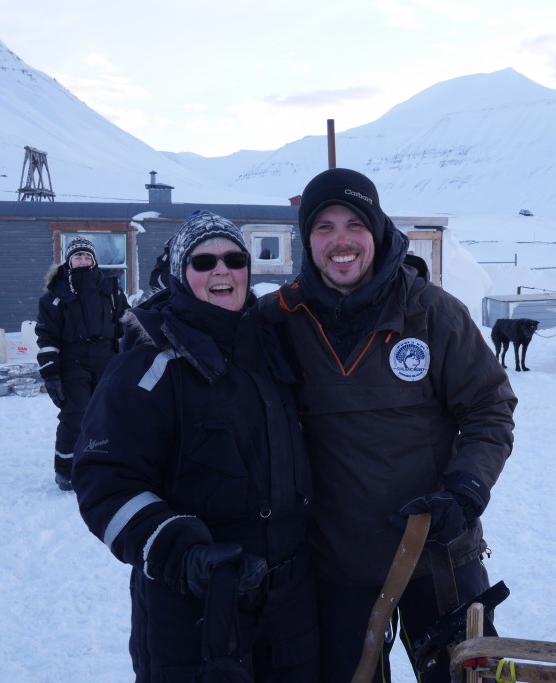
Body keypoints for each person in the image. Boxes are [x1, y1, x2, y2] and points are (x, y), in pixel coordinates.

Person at [258, 168, 517, 682]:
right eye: (324, 227)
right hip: (333, 562)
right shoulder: (277, 320)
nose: (341, 241)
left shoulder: (433, 312)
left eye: (354, 224)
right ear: (306, 239)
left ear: (376, 231)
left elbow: (490, 408)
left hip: (440, 549)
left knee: (467, 676)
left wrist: (464, 491)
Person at [70, 211, 318, 682]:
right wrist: (182, 554)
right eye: (204, 261)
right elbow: (105, 480)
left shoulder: (272, 347)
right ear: (182, 274)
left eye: (233, 258)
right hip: (196, 609)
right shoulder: (149, 362)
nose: (221, 270)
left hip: (290, 607)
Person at [36, 236, 128, 491]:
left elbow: (127, 326)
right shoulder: (55, 296)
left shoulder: (111, 290)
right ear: (69, 260)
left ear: (95, 260)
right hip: (73, 363)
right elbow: (47, 337)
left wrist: (133, 358)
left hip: (107, 361)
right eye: (78, 256)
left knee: (107, 416)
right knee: (75, 416)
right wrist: (50, 373)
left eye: (88, 256)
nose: (83, 260)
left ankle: (104, 466)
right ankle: (66, 470)